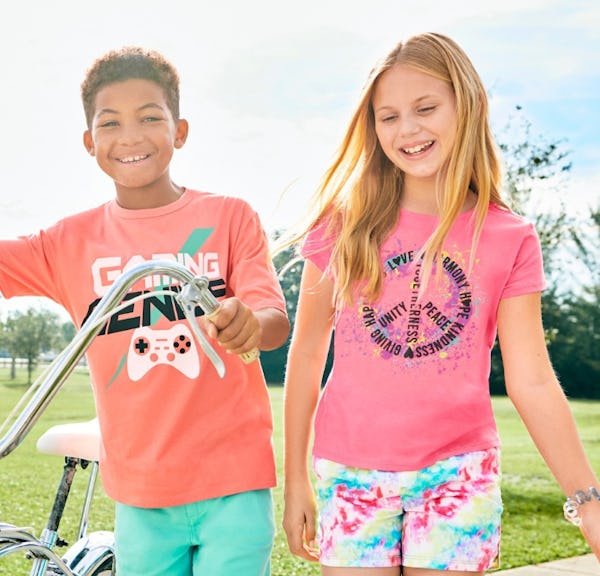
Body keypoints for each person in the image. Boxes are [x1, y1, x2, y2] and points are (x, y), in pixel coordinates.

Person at [281, 32, 600, 575]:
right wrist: (295, 482)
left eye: (425, 108)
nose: (407, 129)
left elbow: (532, 380)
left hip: (458, 475)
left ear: (465, 106)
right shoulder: (342, 226)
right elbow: (308, 353)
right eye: (388, 117)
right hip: (351, 475)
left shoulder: (510, 237)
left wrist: (588, 501)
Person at [0, 46, 290, 576]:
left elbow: (272, 320)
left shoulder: (229, 217)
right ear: (90, 142)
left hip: (235, 481)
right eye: (110, 122)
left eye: (150, 117)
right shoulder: (68, 242)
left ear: (180, 131)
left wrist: (250, 324)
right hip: (140, 491)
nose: (130, 136)